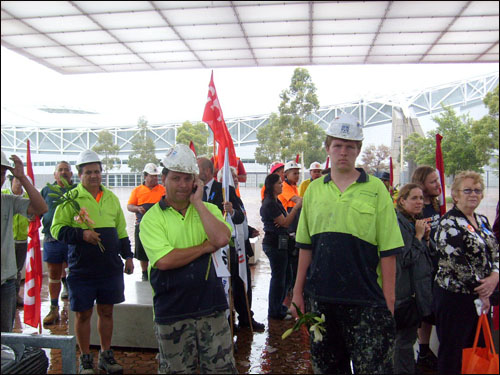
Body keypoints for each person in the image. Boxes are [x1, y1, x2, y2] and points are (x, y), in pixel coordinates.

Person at [291, 113, 404, 374]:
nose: (343, 152)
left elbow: (389, 251)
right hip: (322, 301)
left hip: (367, 302)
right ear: (328, 148)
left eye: (350, 146)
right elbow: (305, 246)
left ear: (358, 150)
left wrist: (389, 300)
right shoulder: (314, 190)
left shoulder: (376, 190)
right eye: (338, 145)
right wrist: (298, 291)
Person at [139, 144, 237, 374]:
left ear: (196, 181)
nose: (182, 185)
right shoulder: (152, 218)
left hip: (211, 307)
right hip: (172, 311)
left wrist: (198, 204)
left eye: (187, 179)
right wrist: (204, 247)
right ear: (164, 179)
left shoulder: (209, 210)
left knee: (221, 369)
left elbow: (222, 238)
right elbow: (164, 260)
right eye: (176, 178)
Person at [51, 150, 134, 374]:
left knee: (107, 311)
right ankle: (85, 357)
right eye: (88, 172)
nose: (94, 176)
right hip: (82, 269)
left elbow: (121, 231)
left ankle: (106, 355)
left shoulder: (111, 198)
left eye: (97, 171)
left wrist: (128, 256)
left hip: (109, 268)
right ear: (80, 175)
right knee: (83, 314)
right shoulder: (71, 199)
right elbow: (56, 229)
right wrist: (82, 235)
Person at [433, 170, 498, 375]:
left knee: (477, 353)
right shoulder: (448, 223)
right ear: (456, 194)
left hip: (482, 299)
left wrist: (495, 276)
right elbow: (457, 264)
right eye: (467, 190)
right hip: (455, 299)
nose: (473, 194)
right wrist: (483, 290)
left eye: (477, 190)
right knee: (455, 355)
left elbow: (495, 253)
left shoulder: (482, 221)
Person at [1, 151, 47, 332]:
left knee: (6, 335)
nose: (0, 177)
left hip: (6, 281)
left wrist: (23, 177)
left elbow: (41, 208)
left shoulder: (7, 201)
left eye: (2, 173)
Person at [217, 166, 264, 332]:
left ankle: (246, 317)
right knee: (234, 285)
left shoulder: (234, 195)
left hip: (241, 247)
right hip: (230, 249)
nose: (236, 179)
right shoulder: (223, 195)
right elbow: (226, 219)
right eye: (233, 176)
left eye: (236, 176)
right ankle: (234, 320)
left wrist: (249, 229)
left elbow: (239, 219)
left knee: (243, 283)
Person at [394, 183, 434, 374]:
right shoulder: (399, 223)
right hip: (405, 293)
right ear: (402, 201)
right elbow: (405, 258)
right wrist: (418, 237)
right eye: (414, 198)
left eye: (421, 198)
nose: (419, 202)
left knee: (408, 339)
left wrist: (425, 239)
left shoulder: (412, 221)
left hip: (415, 292)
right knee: (403, 341)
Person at [411, 165, 442, 370]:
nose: (438, 185)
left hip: (439, 263)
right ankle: (421, 349)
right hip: (424, 265)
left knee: (434, 310)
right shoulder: (418, 208)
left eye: (438, 180)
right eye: (433, 182)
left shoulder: (438, 206)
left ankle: (427, 347)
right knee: (425, 309)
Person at [260, 173, 302, 320]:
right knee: (278, 278)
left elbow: (282, 222)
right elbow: (284, 223)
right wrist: (296, 209)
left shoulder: (275, 201)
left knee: (287, 276)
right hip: (274, 244)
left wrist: (283, 221)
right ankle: (275, 311)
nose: (281, 185)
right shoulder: (270, 203)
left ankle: (280, 306)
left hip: (281, 242)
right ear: (272, 186)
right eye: (279, 183)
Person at [40, 161, 75, 325]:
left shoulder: (76, 191)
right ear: (54, 174)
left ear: (72, 174)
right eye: (60, 170)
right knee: (53, 274)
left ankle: (77, 308)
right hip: (51, 238)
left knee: (74, 272)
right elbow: (38, 210)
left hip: (72, 239)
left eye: (66, 170)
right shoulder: (47, 190)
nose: (63, 172)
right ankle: (54, 309)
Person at [127, 162, 165, 281]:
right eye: (152, 176)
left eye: (156, 176)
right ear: (145, 176)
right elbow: (129, 206)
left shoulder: (162, 189)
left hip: (159, 224)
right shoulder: (137, 190)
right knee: (141, 249)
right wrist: (137, 208)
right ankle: (144, 272)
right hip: (141, 223)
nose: (154, 178)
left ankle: (158, 268)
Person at [2, 175, 30, 307]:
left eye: (21, 180)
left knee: (17, 270)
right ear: (11, 181)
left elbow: (40, 209)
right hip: (9, 241)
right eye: (17, 180)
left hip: (22, 240)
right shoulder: (5, 196)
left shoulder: (25, 198)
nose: (19, 183)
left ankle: (15, 294)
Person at [278, 161, 302, 298]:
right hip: (288, 228)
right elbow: (299, 201)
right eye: (295, 173)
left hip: (294, 226)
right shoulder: (286, 188)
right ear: (286, 174)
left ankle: (291, 289)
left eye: (298, 173)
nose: (297, 175)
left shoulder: (294, 187)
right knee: (290, 262)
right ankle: (289, 292)